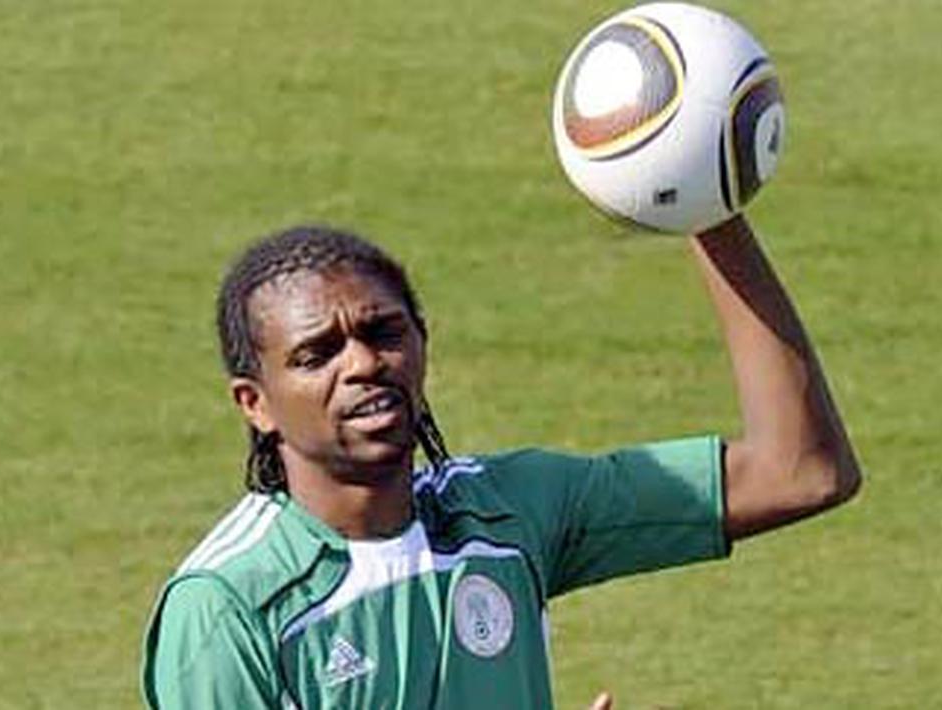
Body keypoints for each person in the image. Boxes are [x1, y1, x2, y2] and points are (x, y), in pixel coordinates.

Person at [141, 218, 861, 709]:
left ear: (421, 343)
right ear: (254, 403)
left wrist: (707, 207)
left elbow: (798, 470)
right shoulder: (227, 604)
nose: (361, 362)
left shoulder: (507, 511)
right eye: (315, 354)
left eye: (382, 332)